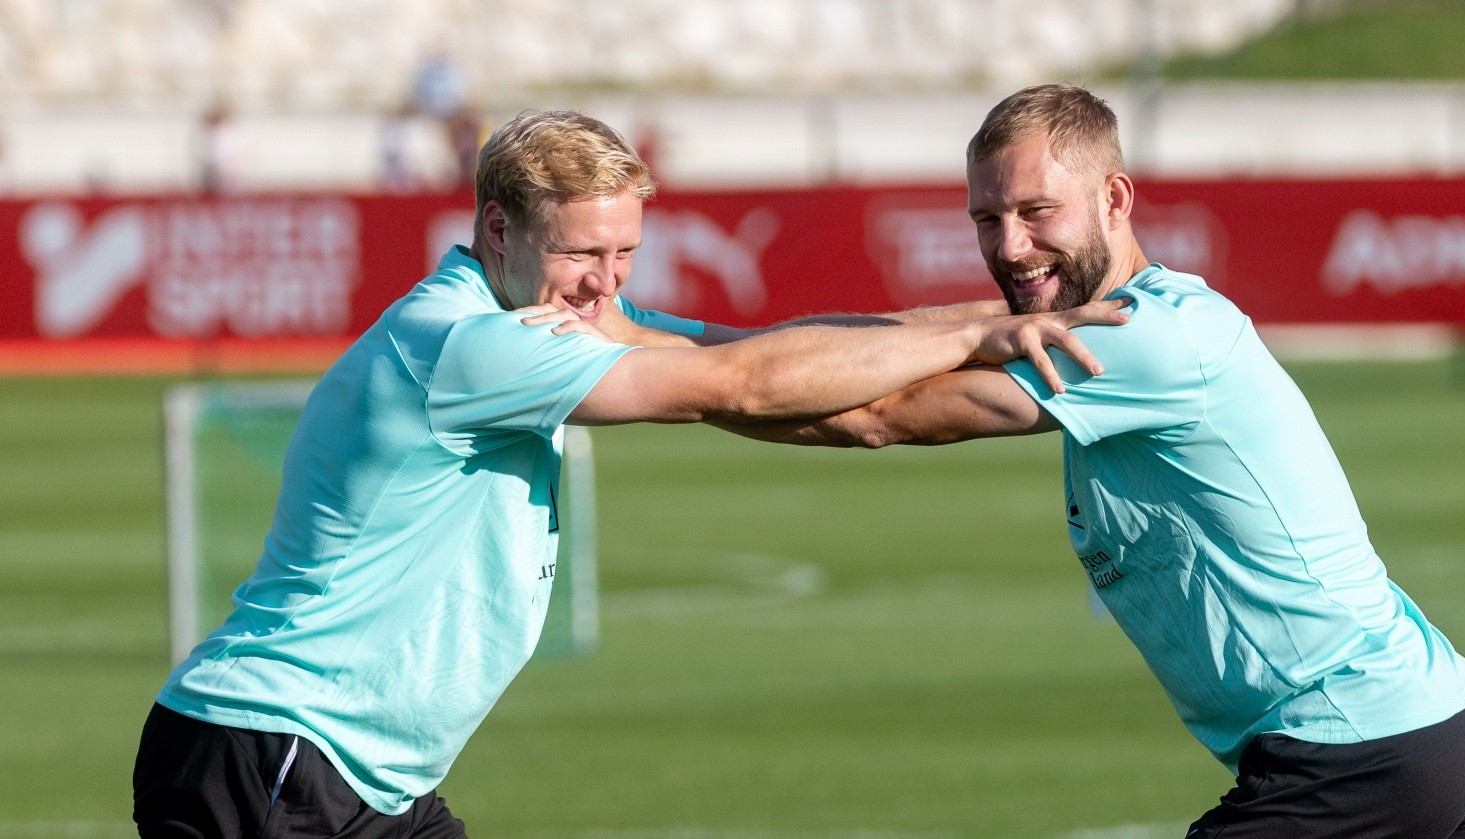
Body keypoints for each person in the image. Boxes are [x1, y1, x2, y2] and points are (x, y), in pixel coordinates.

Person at [131, 108, 1124, 837]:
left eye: (625, 252)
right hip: (272, 755)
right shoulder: (468, 343)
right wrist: (991, 333)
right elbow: (738, 384)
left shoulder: (537, 312)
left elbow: (774, 348)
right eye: (582, 253)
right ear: (496, 231)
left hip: (358, 777)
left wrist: (992, 328)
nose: (607, 284)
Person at [693, 85, 1465, 837]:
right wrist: (685, 341)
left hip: (1361, 749)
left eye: (1036, 212)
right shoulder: (1137, 313)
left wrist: (671, 383)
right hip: (1448, 720)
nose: (1011, 245)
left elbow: (876, 410)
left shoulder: (1138, 340)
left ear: (1114, 197)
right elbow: (904, 337)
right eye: (988, 219)